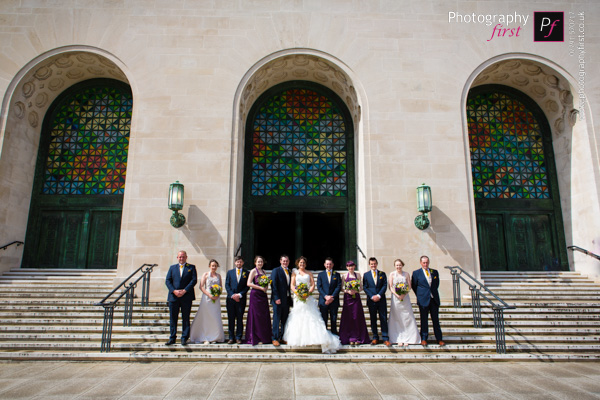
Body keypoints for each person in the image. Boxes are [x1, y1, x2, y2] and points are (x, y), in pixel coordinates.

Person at [283, 256, 341, 354]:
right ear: (298, 263)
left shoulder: (309, 273)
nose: (302, 264)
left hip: (307, 297)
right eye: (300, 263)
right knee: (298, 317)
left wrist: (308, 293)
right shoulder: (294, 273)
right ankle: (298, 338)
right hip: (298, 298)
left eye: (303, 263)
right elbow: (292, 285)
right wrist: (298, 293)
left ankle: (313, 338)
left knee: (310, 317)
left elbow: (313, 285)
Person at [165, 250, 197, 346]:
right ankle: (172, 337)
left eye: (183, 256)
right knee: (173, 318)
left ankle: (184, 337)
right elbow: (168, 280)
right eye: (180, 257)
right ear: (177, 258)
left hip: (186, 296)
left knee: (185, 318)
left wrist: (184, 290)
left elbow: (193, 280)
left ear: (186, 257)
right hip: (174, 297)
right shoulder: (172, 268)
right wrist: (174, 291)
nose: (181, 258)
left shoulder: (191, 267)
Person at [411, 255, 444, 346]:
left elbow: (436, 284)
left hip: (433, 299)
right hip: (423, 300)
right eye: (424, 262)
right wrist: (421, 295)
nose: (425, 264)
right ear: (421, 263)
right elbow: (414, 286)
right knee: (424, 320)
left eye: (427, 262)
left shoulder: (434, 272)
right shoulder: (416, 273)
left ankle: (439, 338)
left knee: (435, 320)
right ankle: (424, 338)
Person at [189, 259, 225, 344]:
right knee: (206, 316)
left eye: (215, 266)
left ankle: (214, 336)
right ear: (209, 266)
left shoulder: (219, 276)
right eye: (212, 265)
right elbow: (201, 287)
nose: (214, 267)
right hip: (207, 298)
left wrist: (217, 295)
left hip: (216, 299)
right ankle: (205, 336)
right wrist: (209, 295)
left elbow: (221, 287)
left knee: (215, 317)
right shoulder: (205, 275)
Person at [388, 258, 421, 346]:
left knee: (407, 317)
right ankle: (398, 338)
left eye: (400, 265)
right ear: (395, 266)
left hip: (405, 298)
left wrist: (404, 294)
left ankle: (408, 338)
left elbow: (409, 286)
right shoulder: (392, 274)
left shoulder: (406, 274)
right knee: (396, 317)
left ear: (402, 265)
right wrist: (397, 295)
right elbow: (390, 287)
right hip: (395, 298)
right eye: (397, 265)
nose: (398, 266)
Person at [338, 260, 370, 345]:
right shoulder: (344, 276)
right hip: (348, 298)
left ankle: (357, 337)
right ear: (347, 267)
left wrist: (356, 290)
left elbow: (361, 287)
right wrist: (347, 291)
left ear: (354, 267)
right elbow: (341, 288)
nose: (350, 268)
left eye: (352, 266)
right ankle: (349, 338)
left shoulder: (358, 275)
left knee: (356, 316)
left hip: (356, 298)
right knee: (348, 317)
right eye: (349, 266)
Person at [244, 255, 272, 345]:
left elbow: (267, 282)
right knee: (256, 315)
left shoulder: (264, 271)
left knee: (263, 316)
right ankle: (255, 336)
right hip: (255, 295)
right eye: (258, 262)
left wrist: (266, 287)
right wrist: (260, 287)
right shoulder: (253, 271)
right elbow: (248, 283)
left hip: (263, 295)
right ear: (255, 262)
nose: (260, 263)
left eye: (261, 262)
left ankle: (263, 336)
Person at [363, 257, 390, 346]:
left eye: (374, 264)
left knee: (383, 318)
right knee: (373, 319)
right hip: (371, 301)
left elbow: (384, 285)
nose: (373, 265)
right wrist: (371, 296)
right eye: (371, 264)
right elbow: (365, 287)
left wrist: (378, 295)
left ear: (377, 264)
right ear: (369, 265)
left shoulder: (382, 274)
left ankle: (385, 338)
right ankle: (375, 337)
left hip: (381, 299)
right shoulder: (366, 275)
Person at [225, 255, 249, 344]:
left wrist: (239, 295)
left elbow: (247, 286)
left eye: (240, 262)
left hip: (241, 299)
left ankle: (238, 337)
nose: (239, 263)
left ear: (242, 263)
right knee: (231, 318)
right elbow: (227, 284)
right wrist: (232, 295)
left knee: (240, 318)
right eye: (237, 262)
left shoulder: (246, 273)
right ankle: (231, 337)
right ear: (235, 263)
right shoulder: (230, 272)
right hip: (230, 299)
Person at [271, 254, 292, 346]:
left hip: (286, 299)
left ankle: (282, 337)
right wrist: (276, 298)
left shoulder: (290, 272)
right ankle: (275, 338)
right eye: (283, 261)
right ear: (280, 261)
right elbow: (274, 285)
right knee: (277, 318)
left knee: (284, 319)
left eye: (287, 261)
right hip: (278, 299)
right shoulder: (276, 270)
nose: (285, 262)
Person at [317, 257, 341, 334]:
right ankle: (324, 335)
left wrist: (332, 297)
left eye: (330, 264)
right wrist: (326, 297)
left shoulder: (337, 275)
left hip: (334, 301)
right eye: (327, 264)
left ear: (333, 265)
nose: (328, 265)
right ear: (324, 265)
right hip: (323, 301)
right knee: (324, 319)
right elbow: (319, 287)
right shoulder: (320, 275)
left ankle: (334, 335)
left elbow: (338, 286)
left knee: (334, 319)